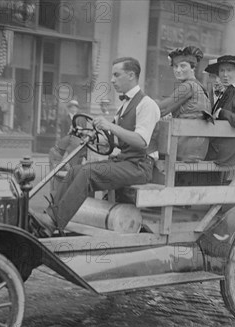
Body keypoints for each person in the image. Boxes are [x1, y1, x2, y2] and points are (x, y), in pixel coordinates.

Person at [33, 57, 160, 236]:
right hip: (124, 162)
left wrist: (110, 126)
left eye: (117, 75)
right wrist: (90, 136)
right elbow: (115, 141)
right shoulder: (124, 106)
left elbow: (141, 141)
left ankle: (54, 222)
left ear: (131, 75)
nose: (112, 80)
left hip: (139, 167)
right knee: (75, 171)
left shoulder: (147, 105)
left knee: (87, 173)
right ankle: (49, 216)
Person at [158, 46, 211, 161]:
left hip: (186, 146)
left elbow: (163, 109)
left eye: (183, 66)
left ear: (193, 68)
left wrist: (141, 106)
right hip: (197, 146)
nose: (178, 70)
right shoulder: (200, 86)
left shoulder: (188, 86)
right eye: (175, 66)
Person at [203, 55, 235, 165]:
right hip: (218, 152)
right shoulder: (226, 91)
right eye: (222, 70)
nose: (225, 75)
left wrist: (222, 113)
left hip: (230, 157)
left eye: (229, 70)